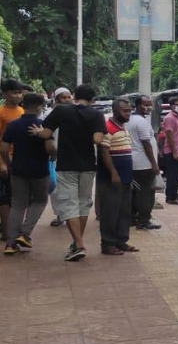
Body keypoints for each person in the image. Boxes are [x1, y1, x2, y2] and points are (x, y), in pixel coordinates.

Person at [31, 83, 106, 261]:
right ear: (92, 99)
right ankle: (76, 243)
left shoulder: (62, 110)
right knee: (84, 203)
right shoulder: (96, 114)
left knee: (69, 203)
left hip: (66, 165)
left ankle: (78, 245)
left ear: (74, 96)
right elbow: (97, 139)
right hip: (88, 165)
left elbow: (46, 134)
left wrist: (37, 132)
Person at [1, 92, 54, 254]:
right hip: (39, 170)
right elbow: (50, 148)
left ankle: (10, 244)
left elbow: (3, 149)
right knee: (40, 201)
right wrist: (54, 155)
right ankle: (24, 234)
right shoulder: (43, 125)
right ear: (39, 107)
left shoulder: (13, 125)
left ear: (23, 105)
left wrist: (9, 163)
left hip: (18, 169)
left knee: (18, 204)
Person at [96, 99, 137, 255]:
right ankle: (108, 243)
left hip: (125, 178)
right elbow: (104, 151)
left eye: (129, 111)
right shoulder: (108, 128)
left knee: (124, 211)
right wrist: (113, 172)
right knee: (110, 211)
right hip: (111, 178)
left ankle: (121, 241)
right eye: (125, 111)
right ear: (115, 111)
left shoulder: (123, 128)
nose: (128, 114)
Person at [126, 95, 161, 229]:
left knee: (135, 192)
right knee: (146, 193)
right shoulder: (141, 122)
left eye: (150, 104)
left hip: (132, 162)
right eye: (146, 104)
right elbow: (146, 144)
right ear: (137, 105)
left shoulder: (129, 120)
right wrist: (154, 164)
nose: (149, 107)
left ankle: (132, 218)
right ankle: (144, 220)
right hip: (144, 164)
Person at [0, 79, 28, 240]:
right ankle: (6, 232)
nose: (18, 96)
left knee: (17, 197)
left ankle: (15, 230)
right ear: (5, 94)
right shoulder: (1, 113)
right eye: (14, 93)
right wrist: (2, 163)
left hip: (20, 159)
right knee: (5, 197)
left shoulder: (22, 111)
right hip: (5, 158)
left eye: (19, 93)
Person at [47, 88, 73, 226]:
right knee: (55, 189)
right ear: (57, 99)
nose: (67, 100)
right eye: (64, 97)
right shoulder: (49, 115)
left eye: (69, 97)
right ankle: (60, 215)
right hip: (54, 157)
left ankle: (71, 216)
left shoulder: (75, 114)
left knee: (71, 187)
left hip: (71, 156)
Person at [161, 96, 178, 206]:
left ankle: (173, 196)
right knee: (173, 175)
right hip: (173, 152)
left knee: (176, 175)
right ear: (172, 106)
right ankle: (172, 197)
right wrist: (175, 151)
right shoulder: (170, 118)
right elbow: (169, 135)